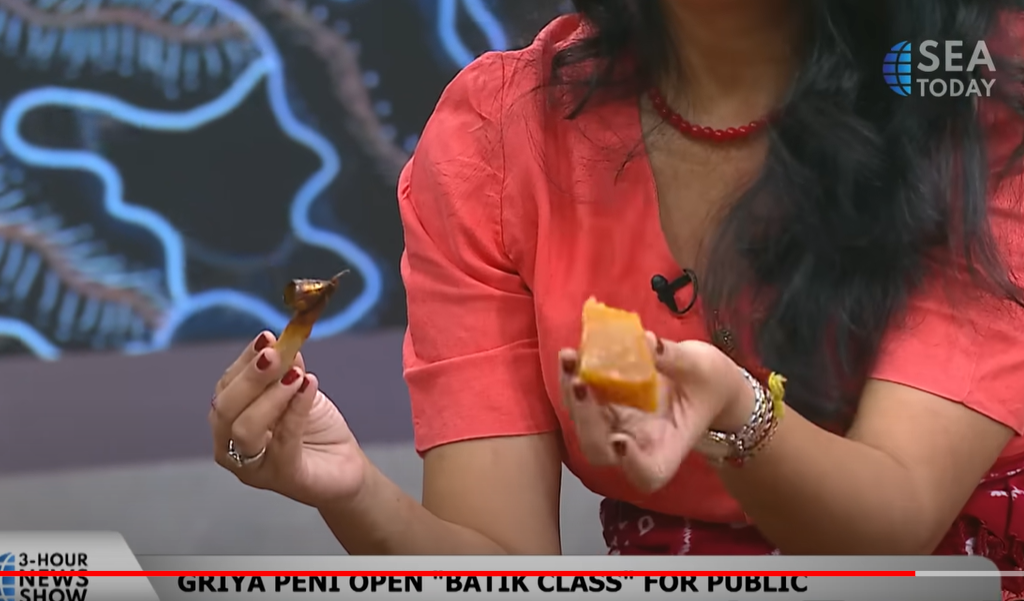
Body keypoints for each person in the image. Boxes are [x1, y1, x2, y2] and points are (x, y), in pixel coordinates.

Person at [209, 0, 1024, 596]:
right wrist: (354, 492)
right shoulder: (499, 133)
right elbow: (503, 574)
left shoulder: (978, 85)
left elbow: (892, 522)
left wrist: (735, 414)